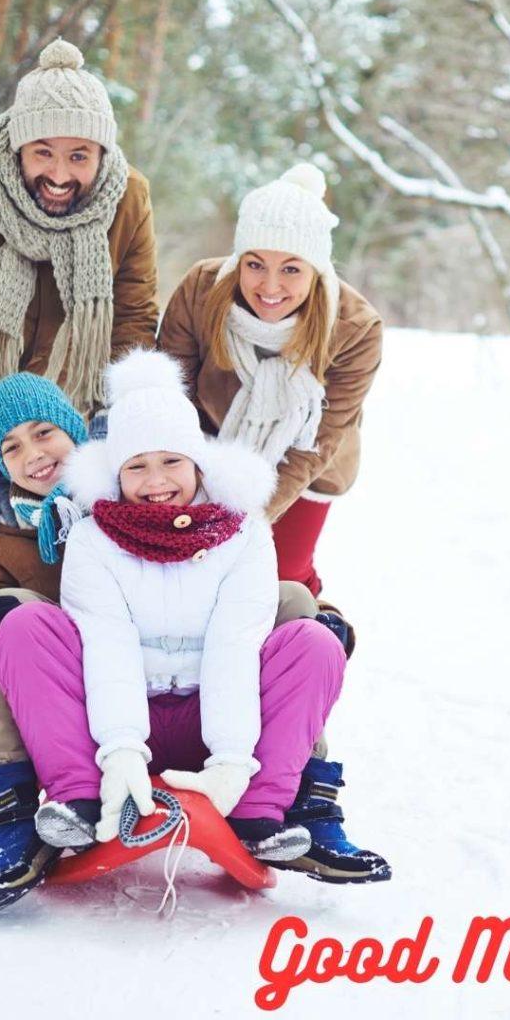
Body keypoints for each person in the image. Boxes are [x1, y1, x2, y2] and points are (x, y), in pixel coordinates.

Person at [0, 371, 344, 912]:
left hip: (206, 695)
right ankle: (17, 812)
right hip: (84, 710)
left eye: (44, 433)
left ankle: (299, 801)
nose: (33, 453)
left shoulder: (221, 520)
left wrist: (326, 625)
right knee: (13, 619)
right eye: (11, 448)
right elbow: (6, 670)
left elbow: (243, 627)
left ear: (78, 436)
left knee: (298, 606)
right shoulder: (8, 543)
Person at [0, 38, 159, 777]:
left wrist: (107, 421)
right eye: (45, 153)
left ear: (103, 154)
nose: (61, 173)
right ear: (16, 144)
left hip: (72, 401)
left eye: (81, 156)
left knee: (76, 543)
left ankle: (62, 706)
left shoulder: (127, 197)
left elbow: (135, 314)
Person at [157, 163, 391, 884]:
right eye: (255, 263)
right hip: (201, 453)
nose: (269, 284)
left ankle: (309, 795)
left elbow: (314, 443)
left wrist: (242, 519)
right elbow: (167, 401)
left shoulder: (353, 326)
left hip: (301, 471)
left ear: (316, 270)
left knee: (281, 595)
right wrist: (188, 501)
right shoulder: (201, 289)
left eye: (291, 269)